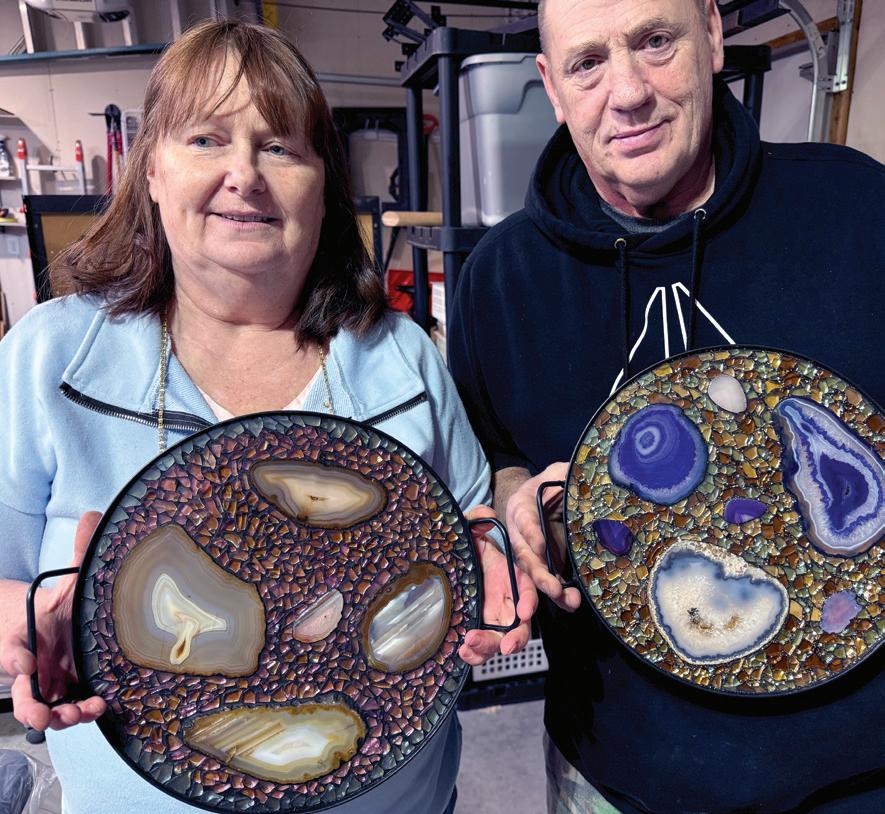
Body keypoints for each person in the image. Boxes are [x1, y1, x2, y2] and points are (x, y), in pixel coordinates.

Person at [0, 19, 534, 814]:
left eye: (280, 147)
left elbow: (472, 529)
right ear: (152, 170)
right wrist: (31, 624)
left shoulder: (401, 356)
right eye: (206, 139)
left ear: (323, 185)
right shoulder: (52, 357)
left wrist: (493, 562)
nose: (244, 175)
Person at [448, 0, 884, 812]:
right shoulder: (498, 281)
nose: (627, 93)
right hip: (615, 779)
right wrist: (520, 509)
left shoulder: (858, 210)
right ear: (550, 85)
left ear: (711, 35)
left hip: (856, 776)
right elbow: (500, 459)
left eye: (654, 41)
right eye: (587, 63)